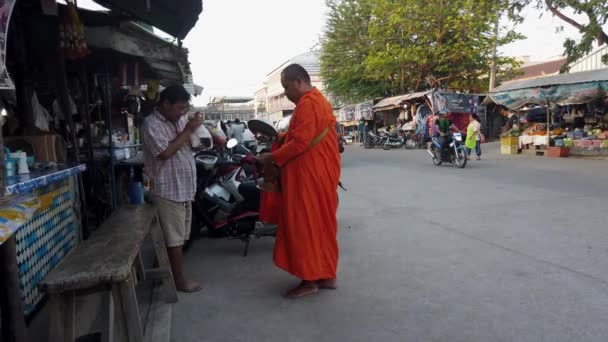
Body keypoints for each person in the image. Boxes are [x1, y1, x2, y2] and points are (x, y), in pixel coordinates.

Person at [256, 64, 341, 299]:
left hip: (308, 178)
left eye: (286, 87)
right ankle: (327, 275)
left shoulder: (308, 104)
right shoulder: (320, 101)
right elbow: (306, 136)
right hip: (320, 175)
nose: (286, 93)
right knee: (323, 226)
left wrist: (271, 157)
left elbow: (300, 143)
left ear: (298, 82)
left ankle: (309, 279)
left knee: (305, 226)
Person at [141, 84, 202, 293]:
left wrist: (197, 130)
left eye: (185, 108)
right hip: (167, 190)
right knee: (174, 239)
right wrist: (187, 130)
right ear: (165, 104)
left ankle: (163, 272)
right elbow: (165, 153)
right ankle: (179, 281)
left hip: (184, 188)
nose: (182, 113)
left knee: (179, 236)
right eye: (179, 108)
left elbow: (192, 144)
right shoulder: (151, 124)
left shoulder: (181, 120)